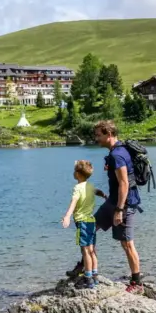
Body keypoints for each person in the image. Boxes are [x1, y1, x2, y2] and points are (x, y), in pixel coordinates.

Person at [93, 120, 142, 293]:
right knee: (89, 227)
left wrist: (119, 210)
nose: (96, 139)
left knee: (127, 244)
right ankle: (86, 266)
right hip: (113, 201)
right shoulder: (117, 150)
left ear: (108, 134)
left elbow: (124, 183)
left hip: (124, 204)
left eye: (98, 135)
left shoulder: (117, 155)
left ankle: (137, 283)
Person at [61, 160, 99, 289]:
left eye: (74, 171)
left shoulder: (77, 188)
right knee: (92, 249)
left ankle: (88, 278)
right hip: (92, 221)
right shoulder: (90, 186)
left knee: (85, 251)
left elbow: (74, 202)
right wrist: (103, 195)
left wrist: (67, 216)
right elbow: (96, 191)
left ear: (77, 174)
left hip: (82, 222)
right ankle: (95, 275)